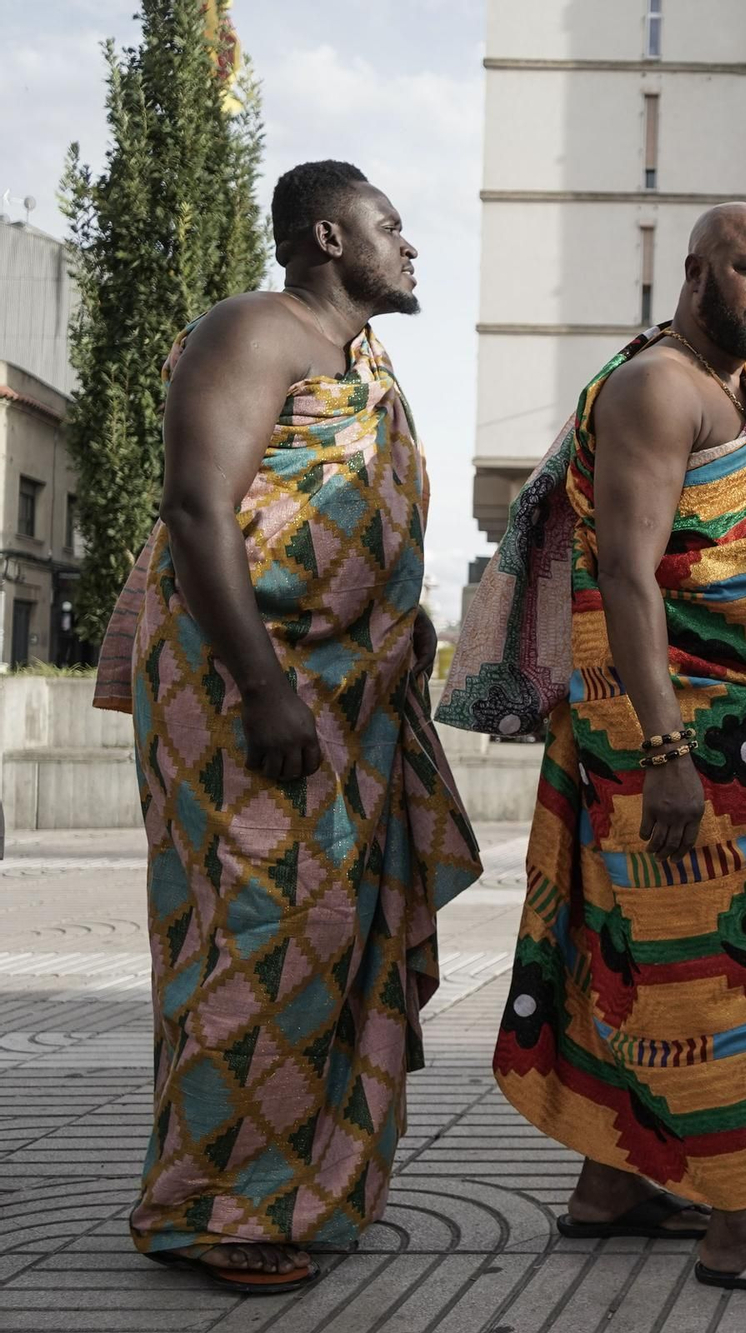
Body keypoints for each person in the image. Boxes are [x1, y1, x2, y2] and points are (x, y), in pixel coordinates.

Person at [462, 204, 746, 1299]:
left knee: (634, 948)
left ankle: (613, 1183)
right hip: (671, 736)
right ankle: (740, 1219)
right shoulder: (660, 387)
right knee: (706, 969)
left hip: (719, 732)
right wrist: (666, 751)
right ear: (696, 271)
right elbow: (629, 577)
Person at [93, 160, 483, 1293]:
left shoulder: (362, 361)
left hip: (348, 695)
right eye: (390, 228)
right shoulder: (253, 331)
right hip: (249, 689)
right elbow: (196, 507)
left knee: (331, 941)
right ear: (327, 235)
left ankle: (296, 1187)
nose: (411, 248)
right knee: (264, 933)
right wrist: (266, 686)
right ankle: (205, 1210)